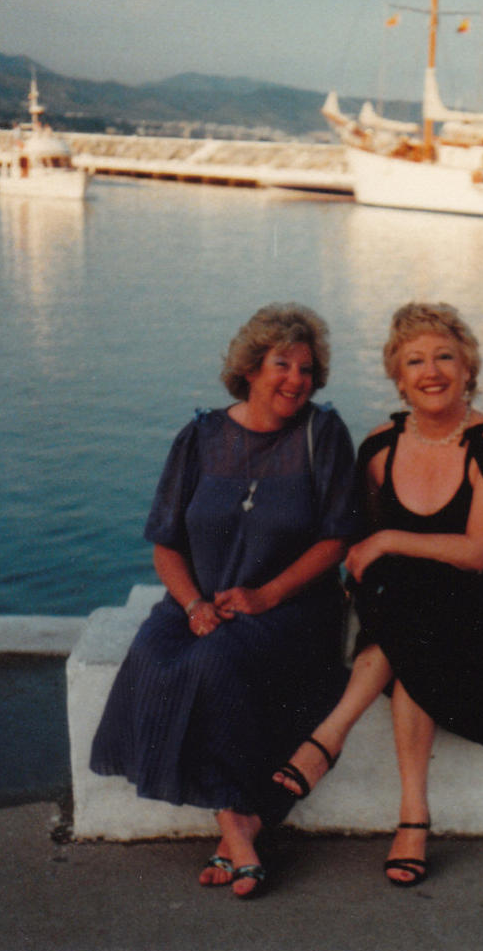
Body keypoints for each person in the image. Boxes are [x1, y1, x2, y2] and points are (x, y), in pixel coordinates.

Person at [272, 302, 483, 887]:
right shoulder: (381, 448)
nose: (431, 372)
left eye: (444, 357)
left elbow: (478, 553)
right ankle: (413, 818)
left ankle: (327, 739)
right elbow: (358, 545)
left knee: (412, 624)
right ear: (399, 378)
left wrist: (388, 539)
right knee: (411, 623)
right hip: (412, 609)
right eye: (415, 361)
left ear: (467, 369)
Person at [90, 303, 359, 899]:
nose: (296, 380)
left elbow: (337, 540)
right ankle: (241, 829)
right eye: (282, 365)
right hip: (200, 604)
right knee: (155, 656)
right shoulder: (200, 437)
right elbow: (166, 545)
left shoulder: (322, 435)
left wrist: (267, 594)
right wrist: (193, 605)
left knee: (214, 664)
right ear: (250, 369)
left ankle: (235, 830)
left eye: (306, 370)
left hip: (292, 608)